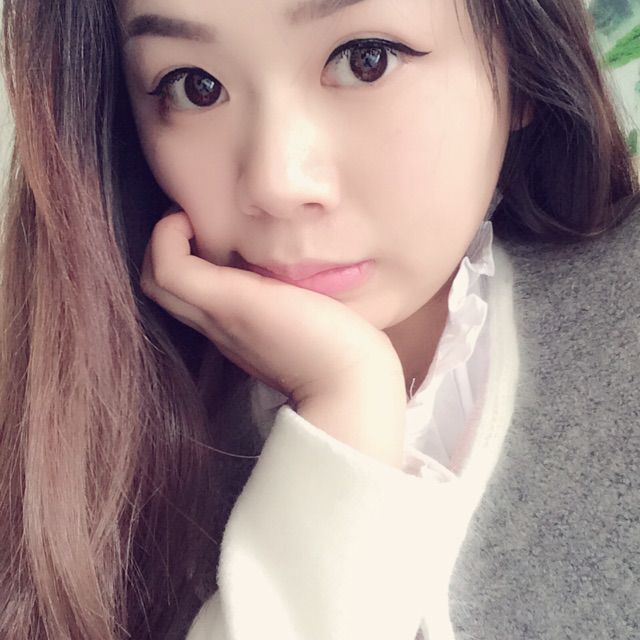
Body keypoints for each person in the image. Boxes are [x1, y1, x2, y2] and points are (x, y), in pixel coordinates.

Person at [1, 0, 638, 638]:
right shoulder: (82, 454)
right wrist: (346, 407)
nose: (277, 183)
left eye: (366, 60)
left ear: (520, 63)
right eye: (195, 87)